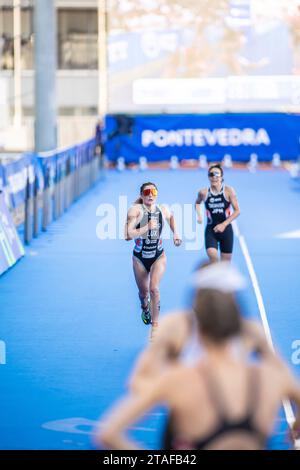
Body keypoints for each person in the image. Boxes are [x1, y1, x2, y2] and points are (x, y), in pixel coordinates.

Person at [96, 288, 300, 450]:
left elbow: (108, 435)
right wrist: (295, 429)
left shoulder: (178, 380)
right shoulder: (275, 377)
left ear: (197, 331)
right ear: (240, 329)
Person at [125, 182, 182, 334]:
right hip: (140, 260)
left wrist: (176, 233)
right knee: (144, 295)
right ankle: (145, 308)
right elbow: (127, 235)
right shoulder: (134, 211)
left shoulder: (163, 209)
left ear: (156, 194)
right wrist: (146, 227)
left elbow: (171, 218)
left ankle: (155, 329)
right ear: (142, 195)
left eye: (153, 191)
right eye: (147, 192)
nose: (150, 194)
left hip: (158, 256)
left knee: (154, 289)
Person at [195, 163, 240, 262]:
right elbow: (197, 203)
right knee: (213, 259)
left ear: (221, 177)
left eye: (217, 174)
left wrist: (223, 225)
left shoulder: (229, 191)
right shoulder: (203, 193)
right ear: (208, 177)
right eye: (211, 174)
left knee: (225, 265)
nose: (214, 177)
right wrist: (199, 216)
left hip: (226, 230)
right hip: (211, 230)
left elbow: (237, 211)